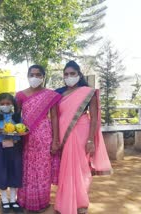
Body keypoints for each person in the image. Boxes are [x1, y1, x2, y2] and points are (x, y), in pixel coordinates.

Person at [54, 61, 112, 214]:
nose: (69, 77)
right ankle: (64, 204)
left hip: (82, 131)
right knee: (66, 167)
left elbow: (94, 117)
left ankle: (80, 203)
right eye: (66, 74)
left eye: (72, 73)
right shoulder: (58, 93)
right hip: (63, 132)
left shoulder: (88, 92)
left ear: (79, 75)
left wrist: (91, 139)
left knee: (81, 167)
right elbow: (54, 116)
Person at [15, 65, 62, 212]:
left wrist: (55, 140)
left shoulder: (50, 95)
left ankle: (42, 201)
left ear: (43, 77)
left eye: (38, 74)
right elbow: (16, 117)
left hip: (44, 135)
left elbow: (54, 116)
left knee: (43, 169)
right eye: (32, 74)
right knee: (27, 168)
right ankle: (25, 201)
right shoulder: (20, 95)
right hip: (26, 137)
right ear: (27, 76)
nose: (35, 77)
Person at [0, 93, 24, 214]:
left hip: (15, 147)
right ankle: (4, 200)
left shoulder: (17, 117)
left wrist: (19, 132)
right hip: (0, 148)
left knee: (14, 171)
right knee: (1, 172)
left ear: (12, 104)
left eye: (8, 103)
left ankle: (13, 200)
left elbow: (21, 131)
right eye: (2, 104)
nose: (5, 106)